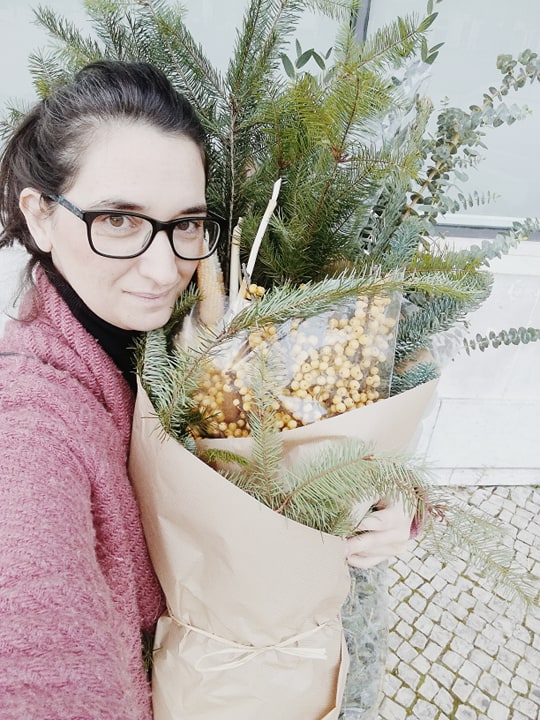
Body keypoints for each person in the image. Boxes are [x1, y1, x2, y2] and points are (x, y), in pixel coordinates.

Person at [0, 60, 413, 719]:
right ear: (41, 216)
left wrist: (383, 502)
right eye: (119, 220)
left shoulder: (199, 336)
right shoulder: (29, 422)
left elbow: (302, 443)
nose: (165, 268)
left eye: (187, 223)